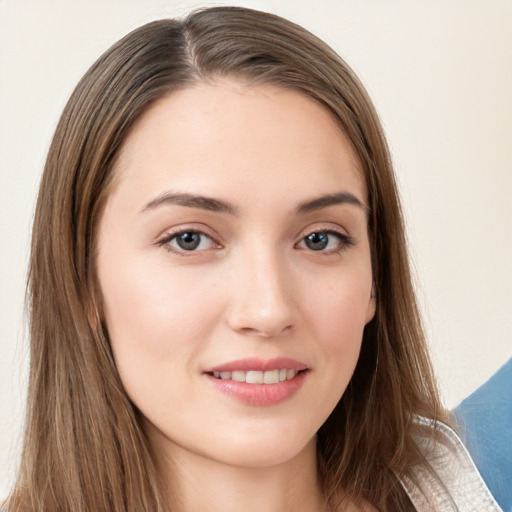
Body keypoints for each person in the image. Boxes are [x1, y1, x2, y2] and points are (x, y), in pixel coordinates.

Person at [2, 6, 502, 512]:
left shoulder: (489, 473)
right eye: (190, 239)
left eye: (319, 239)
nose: (269, 311)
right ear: (82, 280)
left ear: (375, 278)